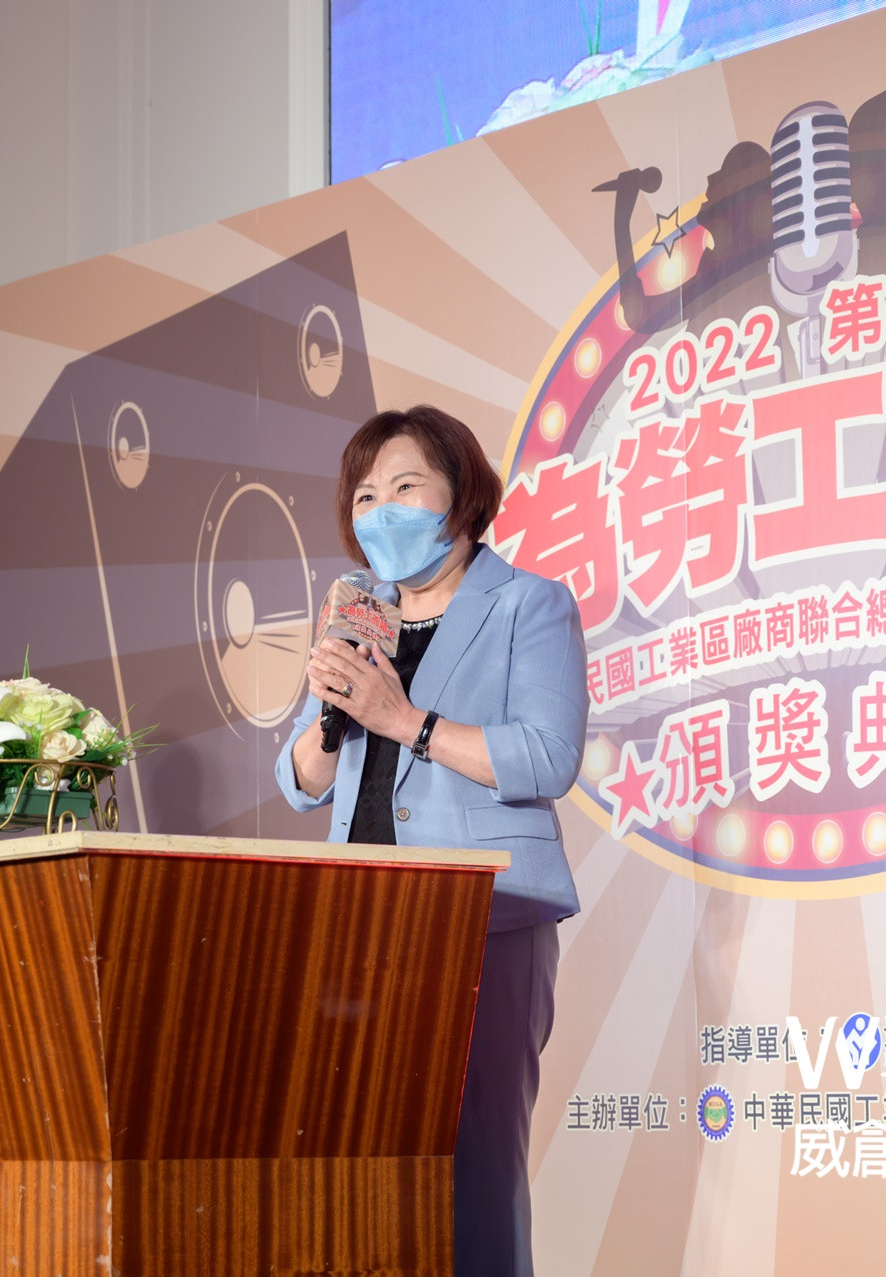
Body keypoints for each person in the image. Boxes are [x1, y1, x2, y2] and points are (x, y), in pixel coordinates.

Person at [273, 404, 588, 1277]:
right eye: (365, 496)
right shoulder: (360, 619)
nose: (383, 510)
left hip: (484, 918)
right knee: (362, 1166)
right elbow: (298, 780)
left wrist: (405, 720)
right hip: (358, 923)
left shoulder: (528, 604)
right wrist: (332, 713)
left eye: (405, 486)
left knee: (475, 1172)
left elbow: (549, 754)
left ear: (462, 493)